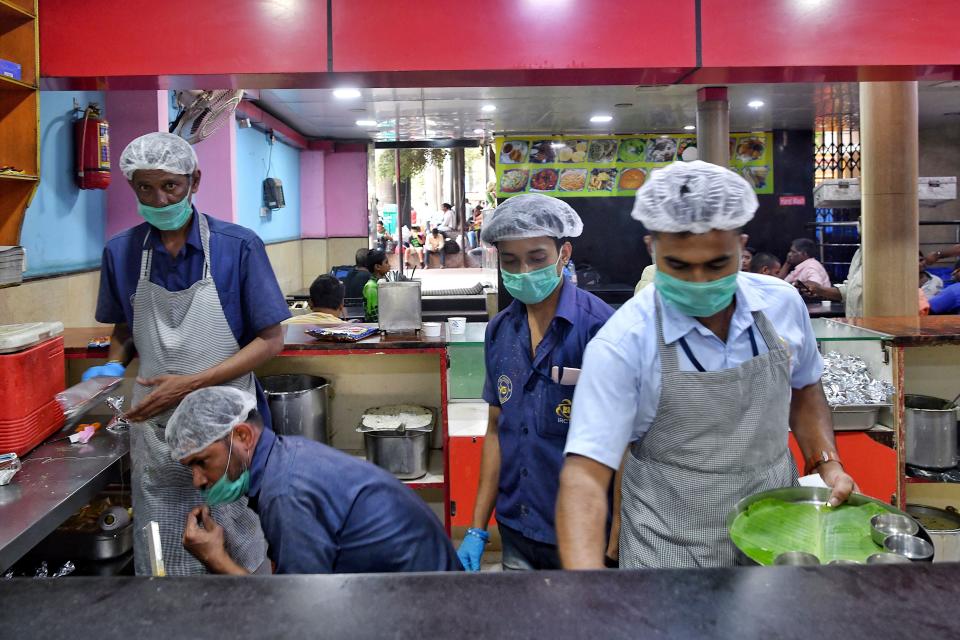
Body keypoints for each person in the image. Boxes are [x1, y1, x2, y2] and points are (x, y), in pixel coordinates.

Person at [555, 161, 856, 570]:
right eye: (678, 266)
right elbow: (586, 476)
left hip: (775, 535)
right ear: (652, 248)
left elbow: (804, 387)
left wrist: (826, 462)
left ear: (741, 246)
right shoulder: (623, 342)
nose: (698, 281)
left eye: (717, 265)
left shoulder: (781, 305)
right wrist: (584, 592)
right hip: (669, 552)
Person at [84, 132, 289, 575]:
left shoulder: (238, 247)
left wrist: (193, 382)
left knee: (236, 545)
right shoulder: (121, 252)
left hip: (228, 436)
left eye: (170, 187)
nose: (159, 199)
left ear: (195, 181)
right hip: (157, 436)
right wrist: (113, 364)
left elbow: (272, 340)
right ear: (132, 186)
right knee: (164, 556)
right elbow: (125, 327)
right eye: (145, 188)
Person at [457, 194, 615, 572]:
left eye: (537, 258)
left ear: (563, 254)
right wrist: (478, 528)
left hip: (583, 532)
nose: (524, 270)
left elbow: (622, 441)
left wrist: (618, 532)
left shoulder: (600, 329)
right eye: (510, 261)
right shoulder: (499, 331)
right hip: (516, 528)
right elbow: (497, 430)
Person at [167, 387, 461, 574]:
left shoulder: (285, 493)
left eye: (202, 462)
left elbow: (301, 615)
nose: (197, 481)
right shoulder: (287, 455)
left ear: (242, 436)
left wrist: (216, 559)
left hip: (427, 610)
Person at [362, 249, 390, 322]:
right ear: (377, 267)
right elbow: (374, 314)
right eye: (386, 262)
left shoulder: (382, 283)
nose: (389, 265)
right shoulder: (371, 287)